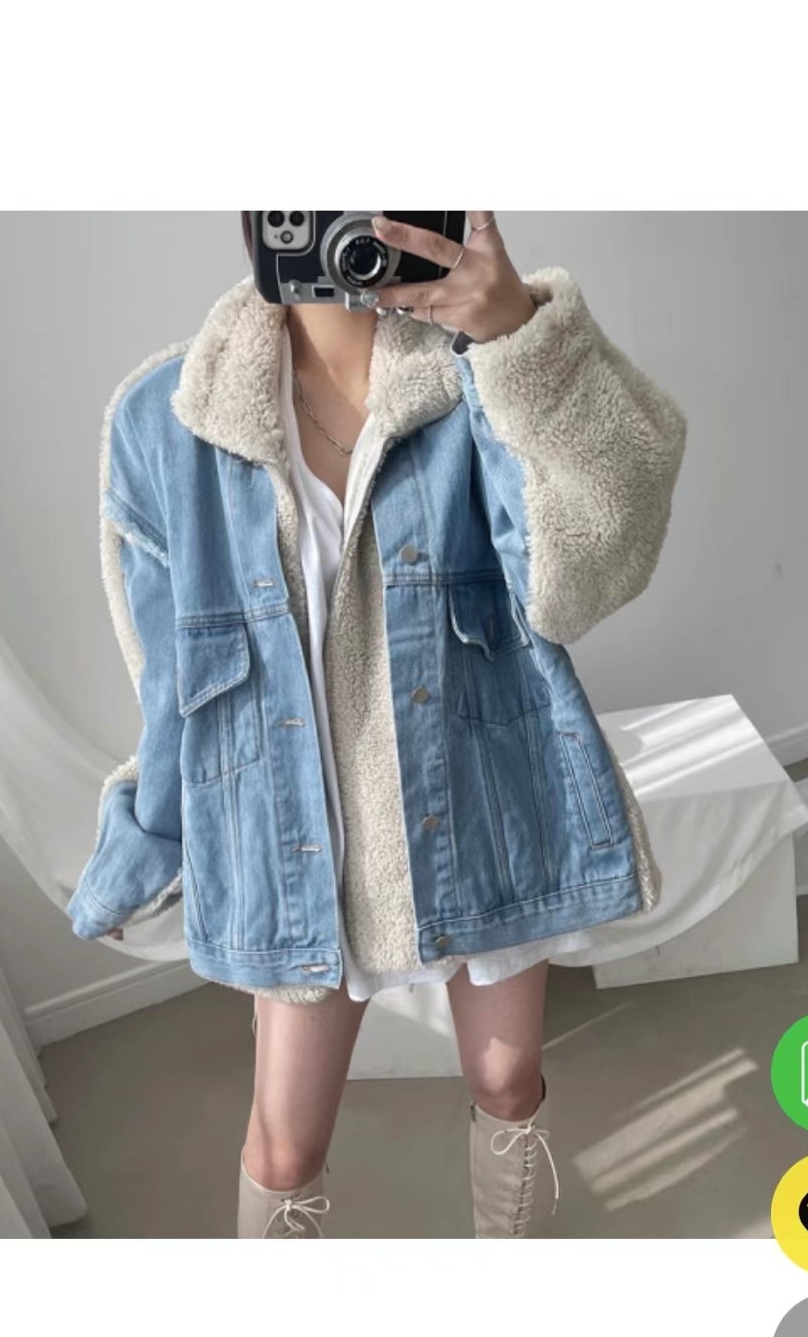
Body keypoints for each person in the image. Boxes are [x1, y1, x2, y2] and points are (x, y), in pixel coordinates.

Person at [68, 213, 685, 1238]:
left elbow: (583, 570)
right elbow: (173, 678)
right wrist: (152, 834)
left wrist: (518, 336)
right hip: (296, 842)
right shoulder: (168, 419)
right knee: (284, 1145)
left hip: (479, 801)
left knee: (507, 1085)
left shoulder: (479, 378)